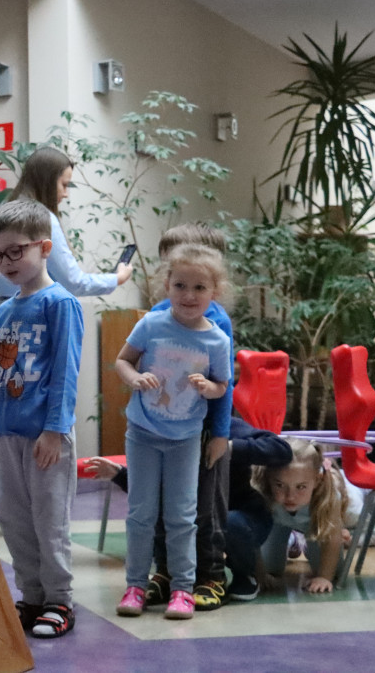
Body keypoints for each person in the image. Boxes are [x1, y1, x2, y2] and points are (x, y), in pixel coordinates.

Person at [114, 243, 231, 620]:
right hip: (143, 434)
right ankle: (135, 584)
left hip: (184, 440)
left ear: (214, 292)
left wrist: (207, 388)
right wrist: (135, 378)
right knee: (140, 513)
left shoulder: (217, 339)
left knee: (183, 515)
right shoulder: (151, 324)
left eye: (199, 288)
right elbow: (122, 360)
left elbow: (222, 387)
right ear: (167, 285)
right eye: (180, 285)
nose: (189, 295)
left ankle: (182, 589)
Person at [0, 200, 83, 639]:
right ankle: (32, 597)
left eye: (14, 252)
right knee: (15, 520)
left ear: (44, 247)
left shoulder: (60, 303)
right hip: (8, 435)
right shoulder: (4, 310)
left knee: (50, 520)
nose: (5, 263)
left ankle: (59, 600)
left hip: (46, 436)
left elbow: (65, 370)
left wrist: (55, 430)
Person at [84, 415, 294, 602]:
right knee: (168, 508)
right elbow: (153, 488)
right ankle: (168, 574)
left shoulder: (221, 425)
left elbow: (281, 449)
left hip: (241, 515)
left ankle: (243, 575)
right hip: (195, 519)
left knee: (226, 523)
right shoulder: (170, 433)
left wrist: (228, 446)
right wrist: (119, 473)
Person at [146, 223, 236, 611]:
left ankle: (211, 575)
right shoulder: (156, 314)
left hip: (201, 430)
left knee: (204, 505)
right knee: (164, 504)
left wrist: (219, 433)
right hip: (160, 427)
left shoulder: (218, 322)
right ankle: (166, 572)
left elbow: (224, 381)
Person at [0, 147, 132, 301]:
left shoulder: (5, 212)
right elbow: (73, 282)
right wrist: (117, 278)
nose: (66, 194)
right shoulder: (43, 219)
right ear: (47, 182)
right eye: (64, 185)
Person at [241, 437, 353, 594]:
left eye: (301, 487)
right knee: (271, 568)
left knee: (336, 572)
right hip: (276, 524)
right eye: (279, 485)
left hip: (318, 524)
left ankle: (305, 542)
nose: (290, 496)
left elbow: (332, 539)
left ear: (317, 481)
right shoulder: (262, 494)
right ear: (268, 479)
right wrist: (261, 574)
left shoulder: (328, 496)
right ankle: (294, 542)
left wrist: (324, 577)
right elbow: (254, 537)